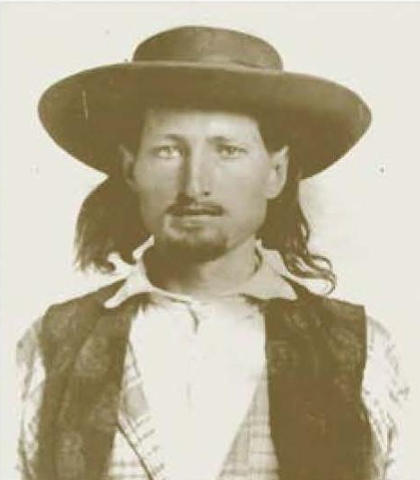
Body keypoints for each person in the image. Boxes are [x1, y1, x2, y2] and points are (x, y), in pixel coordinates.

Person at [17, 26, 409, 480]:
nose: (195, 184)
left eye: (228, 150)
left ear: (276, 172)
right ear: (130, 169)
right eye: (168, 151)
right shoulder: (51, 348)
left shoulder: (362, 354)